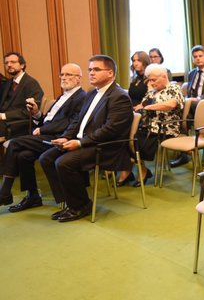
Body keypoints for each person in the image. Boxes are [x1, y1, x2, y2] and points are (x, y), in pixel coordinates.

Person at [38, 55, 133, 222]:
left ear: (110, 73)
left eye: (96, 69)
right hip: (87, 142)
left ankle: (81, 205)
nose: (91, 73)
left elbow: (110, 130)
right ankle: (69, 202)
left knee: (63, 162)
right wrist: (66, 136)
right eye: (90, 70)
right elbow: (78, 120)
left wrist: (80, 143)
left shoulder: (119, 96)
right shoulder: (91, 93)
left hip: (106, 147)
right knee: (46, 158)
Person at [0, 64, 86, 211]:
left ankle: (4, 192)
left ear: (78, 78)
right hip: (47, 134)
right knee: (23, 155)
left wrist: (43, 129)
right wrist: (36, 113)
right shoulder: (63, 96)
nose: (63, 77)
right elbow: (48, 120)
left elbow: (69, 123)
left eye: (68, 75)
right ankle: (33, 196)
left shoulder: (81, 97)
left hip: (59, 138)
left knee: (14, 143)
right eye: (62, 74)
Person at [129, 64, 185, 184]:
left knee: (136, 139)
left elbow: (171, 104)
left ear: (164, 76)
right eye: (149, 80)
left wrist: (149, 107)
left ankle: (141, 170)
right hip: (149, 126)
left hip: (166, 127)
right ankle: (140, 168)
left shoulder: (174, 88)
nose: (151, 83)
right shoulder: (152, 92)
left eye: (153, 80)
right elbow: (141, 106)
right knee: (126, 137)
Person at [171, 45, 204, 168]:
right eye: (195, 57)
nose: (198, 59)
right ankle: (184, 150)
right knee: (180, 116)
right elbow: (190, 93)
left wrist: (199, 98)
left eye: (200, 56)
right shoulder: (192, 73)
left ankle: (188, 149)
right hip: (193, 106)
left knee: (184, 109)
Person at [0, 52, 44, 139]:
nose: (9, 65)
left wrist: (3, 116)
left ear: (22, 65)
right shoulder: (7, 83)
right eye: (6, 63)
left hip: (18, 125)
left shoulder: (31, 83)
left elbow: (30, 111)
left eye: (13, 62)